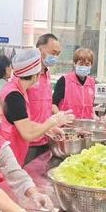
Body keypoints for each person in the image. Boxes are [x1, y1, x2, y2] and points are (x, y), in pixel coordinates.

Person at [0, 49, 73, 166]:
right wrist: (53, 121)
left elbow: (25, 123)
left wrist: (49, 130)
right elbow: (28, 133)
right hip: (7, 159)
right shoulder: (14, 96)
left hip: (12, 155)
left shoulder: (16, 88)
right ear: (36, 75)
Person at [25, 33, 61, 163]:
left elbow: (45, 103)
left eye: (58, 54)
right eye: (53, 53)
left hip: (46, 138)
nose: (55, 57)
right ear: (40, 50)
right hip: (29, 140)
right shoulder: (27, 75)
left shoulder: (47, 74)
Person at [53, 47, 96, 120]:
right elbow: (53, 104)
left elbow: (91, 106)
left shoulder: (91, 82)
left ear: (91, 65)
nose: (84, 67)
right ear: (75, 64)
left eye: (87, 64)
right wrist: (60, 116)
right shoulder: (64, 80)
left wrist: (95, 117)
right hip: (66, 124)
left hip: (85, 125)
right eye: (81, 64)